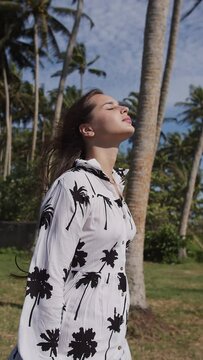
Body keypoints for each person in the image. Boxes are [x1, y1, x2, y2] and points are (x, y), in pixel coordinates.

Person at [9, 89, 136, 360]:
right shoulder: (73, 185)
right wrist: (43, 354)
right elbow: (47, 275)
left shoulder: (115, 188)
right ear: (87, 129)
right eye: (110, 107)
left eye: (121, 105)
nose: (123, 109)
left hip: (110, 340)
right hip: (72, 342)